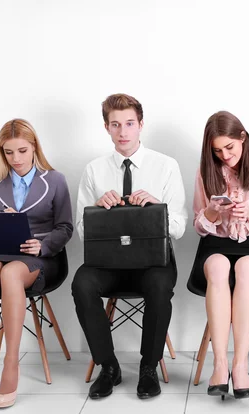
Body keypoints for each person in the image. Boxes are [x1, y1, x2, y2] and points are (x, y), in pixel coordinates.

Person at [72, 93, 187, 400]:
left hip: (152, 263)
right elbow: (83, 231)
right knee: (82, 283)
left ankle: (149, 367)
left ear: (141, 125)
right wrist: (96, 210)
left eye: (129, 124)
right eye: (115, 124)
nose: (123, 131)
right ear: (106, 127)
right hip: (108, 264)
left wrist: (156, 209)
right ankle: (108, 367)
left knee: (160, 285)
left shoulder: (166, 166)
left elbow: (180, 225)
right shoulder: (94, 170)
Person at [0, 119, 73, 408]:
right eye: (9, 152)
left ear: (34, 147)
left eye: (22, 151)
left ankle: (11, 364)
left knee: (12, 273)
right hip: (1, 253)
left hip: (41, 258)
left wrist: (42, 243)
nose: (16, 159)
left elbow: (66, 227)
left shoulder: (54, 179)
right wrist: (6, 222)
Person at [189, 111, 249, 399]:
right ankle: (219, 365)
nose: (224, 155)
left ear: (243, 138)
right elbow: (198, 225)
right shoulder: (205, 171)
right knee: (218, 267)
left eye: (229, 147)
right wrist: (211, 212)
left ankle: (240, 366)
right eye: (217, 150)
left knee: (244, 269)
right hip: (215, 245)